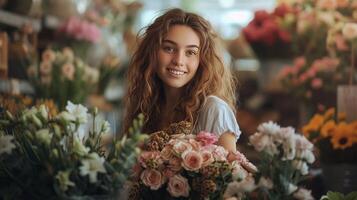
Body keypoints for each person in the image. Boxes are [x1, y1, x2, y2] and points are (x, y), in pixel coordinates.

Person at [122, 8, 241, 153]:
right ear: (151, 53)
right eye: (169, 48)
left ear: (202, 61)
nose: (178, 61)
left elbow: (231, 174)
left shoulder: (214, 110)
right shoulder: (145, 105)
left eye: (190, 52)